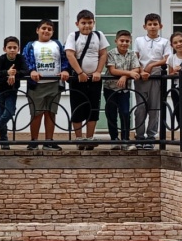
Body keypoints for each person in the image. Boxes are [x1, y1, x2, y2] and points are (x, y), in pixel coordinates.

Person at [65, 9, 109, 150]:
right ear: (77, 23)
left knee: (93, 108)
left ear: (94, 23)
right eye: (83, 23)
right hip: (78, 79)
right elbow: (70, 55)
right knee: (77, 108)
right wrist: (80, 72)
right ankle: (79, 139)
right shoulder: (73, 36)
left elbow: (103, 54)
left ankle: (89, 139)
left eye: (90, 23)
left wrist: (98, 71)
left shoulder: (98, 35)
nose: (87, 26)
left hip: (94, 79)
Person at [23, 19, 69, 150]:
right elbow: (25, 60)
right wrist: (31, 70)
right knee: (36, 113)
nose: (46, 31)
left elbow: (65, 59)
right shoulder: (31, 45)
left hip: (54, 84)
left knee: (51, 112)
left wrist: (65, 70)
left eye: (49, 29)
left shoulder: (57, 44)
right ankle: (34, 141)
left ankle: (49, 141)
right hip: (36, 85)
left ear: (53, 31)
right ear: (37, 30)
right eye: (43, 28)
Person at [133, 14, 171, 150]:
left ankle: (151, 136)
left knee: (154, 108)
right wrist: (142, 70)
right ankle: (139, 136)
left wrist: (151, 66)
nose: (152, 27)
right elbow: (135, 57)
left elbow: (167, 59)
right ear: (145, 26)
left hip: (156, 77)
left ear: (160, 26)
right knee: (140, 108)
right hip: (141, 77)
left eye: (155, 24)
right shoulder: (139, 40)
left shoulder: (164, 42)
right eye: (150, 24)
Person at [0, 36, 28, 150]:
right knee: (0, 114)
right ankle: (4, 139)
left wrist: (15, 74)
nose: (12, 50)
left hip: (12, 90)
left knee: (9, 112)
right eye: (10, 47)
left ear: (18, 49)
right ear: (5, 49)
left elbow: (26, 71)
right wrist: (7, 73)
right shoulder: (1, 59)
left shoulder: (20, 59)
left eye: (15, 47)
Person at [105, 30, 141, 151]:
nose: (124, 43)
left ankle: (126, 139)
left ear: (130, 42)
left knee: (125, 113)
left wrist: (125, 76)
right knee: (111, 114)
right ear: (116, 41)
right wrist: (129, 72)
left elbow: (136, 68)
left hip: (124, 90)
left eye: (127, 41)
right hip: (110, 88)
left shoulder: (132, 54)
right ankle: (114, 139)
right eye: (122, 41)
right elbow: (112, 70)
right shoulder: (111, 53)